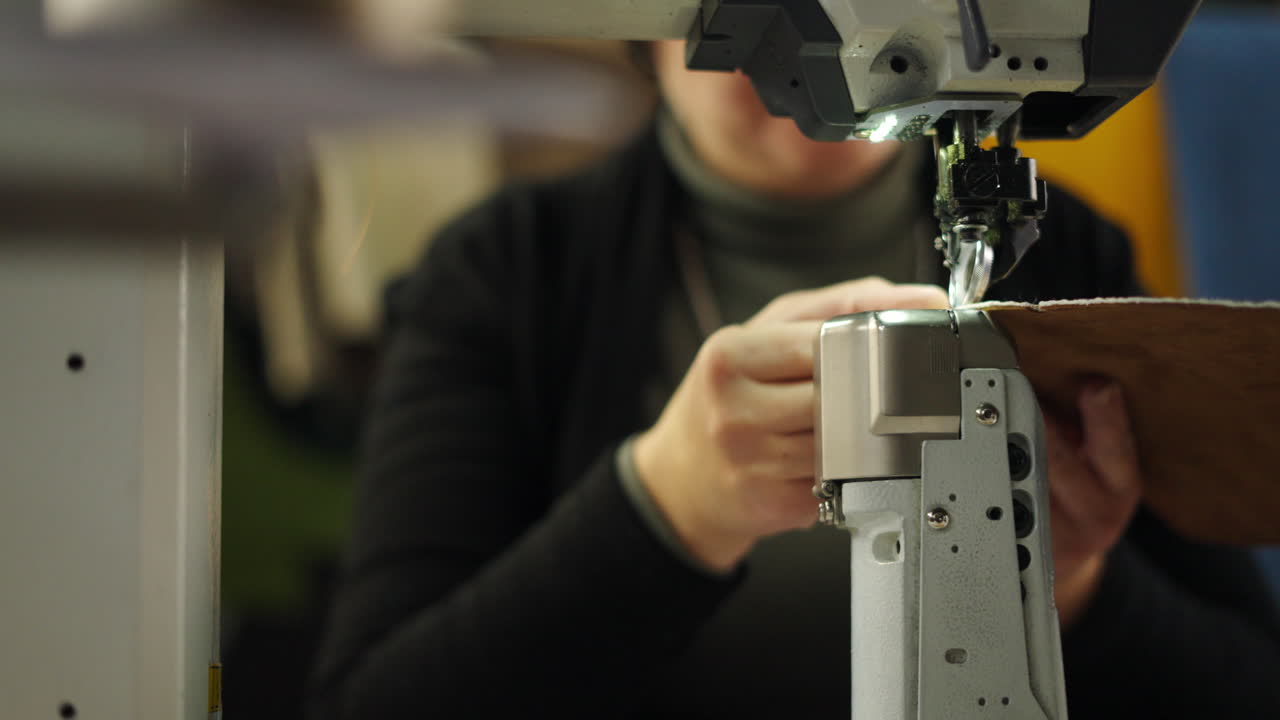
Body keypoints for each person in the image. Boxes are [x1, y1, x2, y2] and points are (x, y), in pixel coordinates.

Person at [307, 41, 1280, 718]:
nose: (829, 55)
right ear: (653, 33)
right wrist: (663, 506)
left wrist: (1066, 587)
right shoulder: (505, 272)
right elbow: (374, 702)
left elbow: (1246, 687)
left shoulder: (1067, 255)